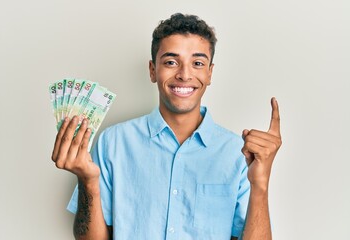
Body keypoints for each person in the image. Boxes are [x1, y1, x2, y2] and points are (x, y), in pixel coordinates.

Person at [51, 13, 282, 240]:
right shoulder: (113, 143)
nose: (184, 74)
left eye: (198, 63)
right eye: (171, 62)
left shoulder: (238, 153)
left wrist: (260, 185)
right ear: (153, 70)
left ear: (209, 73)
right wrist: (87, 180)